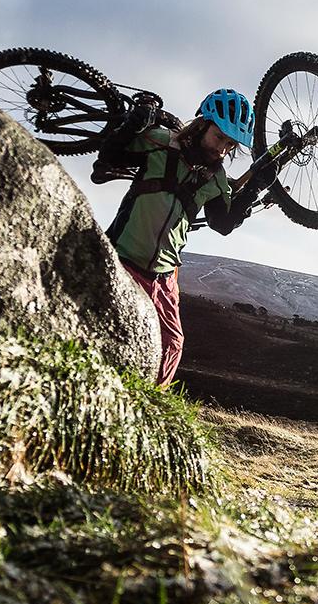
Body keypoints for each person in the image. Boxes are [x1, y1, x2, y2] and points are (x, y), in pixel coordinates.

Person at [107, 88, 287, 386]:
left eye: (230, 145)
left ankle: (148, 404)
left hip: (163, 277)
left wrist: (257, 186)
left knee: (172, 346)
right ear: (202, 124)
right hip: (123, 259)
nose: (223, 149)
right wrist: (132, 125)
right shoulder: (161, 143)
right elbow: (111, 156)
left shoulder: (215, 179)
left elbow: (223, 224)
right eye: (220, 138)